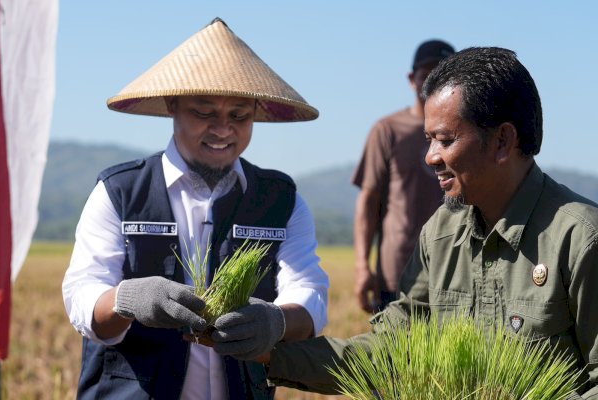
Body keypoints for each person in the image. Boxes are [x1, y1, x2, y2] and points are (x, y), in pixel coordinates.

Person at [233, 47, 598, 398]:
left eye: (445, 140)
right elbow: (393, 348)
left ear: (502, 140)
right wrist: (269, 353)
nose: (430, 157)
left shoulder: (580, 240)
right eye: (428, 140)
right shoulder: (441, 233)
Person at [62, 18, 329, 400]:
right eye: (204, 113)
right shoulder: (119, 192)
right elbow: (83, 296)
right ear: (174, 105)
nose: (223, 130)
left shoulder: (280, 200)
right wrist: (127, 300)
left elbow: (310, 295)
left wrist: (277, 320)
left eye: (239, 116)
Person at [352, 39, 454, 312]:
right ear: (412, 79)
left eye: (444, 76)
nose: (434, 83)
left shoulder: (467, 134)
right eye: (426, 76)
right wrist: (363, 266)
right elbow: (369, 201)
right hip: (397, 272)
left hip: (454, 273)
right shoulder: (389, 130)